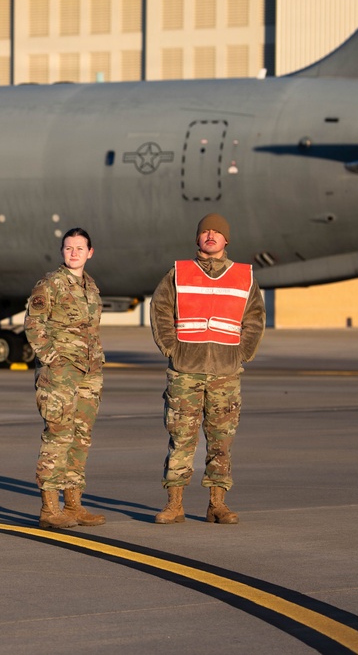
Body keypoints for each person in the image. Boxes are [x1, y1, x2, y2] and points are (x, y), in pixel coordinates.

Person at [150, 213, 265, 525]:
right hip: (185, 372)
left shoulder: (243, 276)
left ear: (227, 239)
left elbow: (254, 317)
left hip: (225, 374)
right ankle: (174, 504)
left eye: (217, 232)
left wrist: (242, 353)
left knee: (221, 441)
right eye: (205, 232)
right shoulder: (178, 273)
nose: (211, 236)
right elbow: (160, 308)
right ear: (197, 238)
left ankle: (217, 504)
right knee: (181, 439)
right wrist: (171, 348)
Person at [25, 228, 105, 529]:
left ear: (90, 253)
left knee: (81, 437)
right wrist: (53, 360)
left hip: (89, 372)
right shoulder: (50, 284)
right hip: (60, 373)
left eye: (79, 248)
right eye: (69, 248)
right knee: (58, 435)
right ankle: (49, 508)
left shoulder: (91, 287)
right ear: (62, 251)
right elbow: (33, 324)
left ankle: (73, 505)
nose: (74, 253)